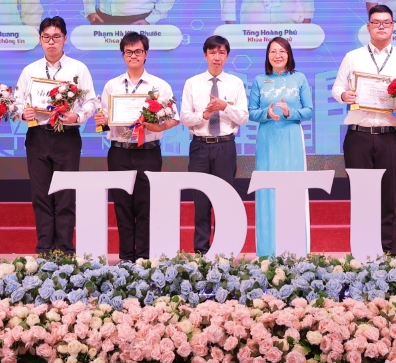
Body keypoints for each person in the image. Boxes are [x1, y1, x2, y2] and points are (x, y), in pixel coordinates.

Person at [331, 4, 396, 255]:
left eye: (386, 22)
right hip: (358, 135)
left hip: (390, 135)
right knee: (360, 197)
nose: (381, 26)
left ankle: (390, 251)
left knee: (390, 197)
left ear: (393, 26)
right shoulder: (353, 57)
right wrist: (344, 95)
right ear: (368, 26)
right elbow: (337, 88)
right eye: (376, 22)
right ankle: (362, 251)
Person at [14, 16, 96, 254]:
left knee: (66, 194)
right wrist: (23, 113)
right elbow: (17, 103)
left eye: (56, 37)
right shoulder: (30, 71)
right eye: (46, 37)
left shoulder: (78, 69)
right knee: (41, 194)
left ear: (65, 39)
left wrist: (77, 117)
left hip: (67, 137)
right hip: (37, 135)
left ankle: (66, 248)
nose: (51, 42)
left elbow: (90, 101)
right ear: (40, 40)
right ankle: (44, 248)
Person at [95, 32, 179, 262]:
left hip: (148, 153)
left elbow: (174, 118)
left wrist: (159, 127)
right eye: (129, 52)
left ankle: (143, 257)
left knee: (146, 207)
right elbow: (104, 121)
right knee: (122, 206)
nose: (134, 55)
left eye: (138, 51)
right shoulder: (112, 85)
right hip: (119, 151)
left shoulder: (159, 86)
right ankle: (125, 258)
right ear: (123, 55)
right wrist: (101, 123)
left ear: (146, 54)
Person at [179, 35, 249, 254]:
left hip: (225, 146)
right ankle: (201, 252)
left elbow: (243, 117)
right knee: (201, 202)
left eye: (221, 53)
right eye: (212, 53)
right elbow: (184, 118)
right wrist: (205, 114)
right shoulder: (192, 83)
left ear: (227, 56)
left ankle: (224, 251)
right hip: (200, 146)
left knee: (225, 201)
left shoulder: (235, 83)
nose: (216, 58)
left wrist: (224, 107)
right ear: (205, 55)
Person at [248, 37, 314, 257]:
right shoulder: (259, 80)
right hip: (267, 139)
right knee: (268, 191)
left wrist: (289, 113)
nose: (277, 55)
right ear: (267, 56)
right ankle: (267, 252)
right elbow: (251, 112)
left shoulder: (299, 78)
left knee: (294, 188)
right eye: (273, 51)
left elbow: (309, 110)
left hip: (291, 137)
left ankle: (297, 251)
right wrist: (266, 113)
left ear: (289, 55)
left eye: (282, 51)